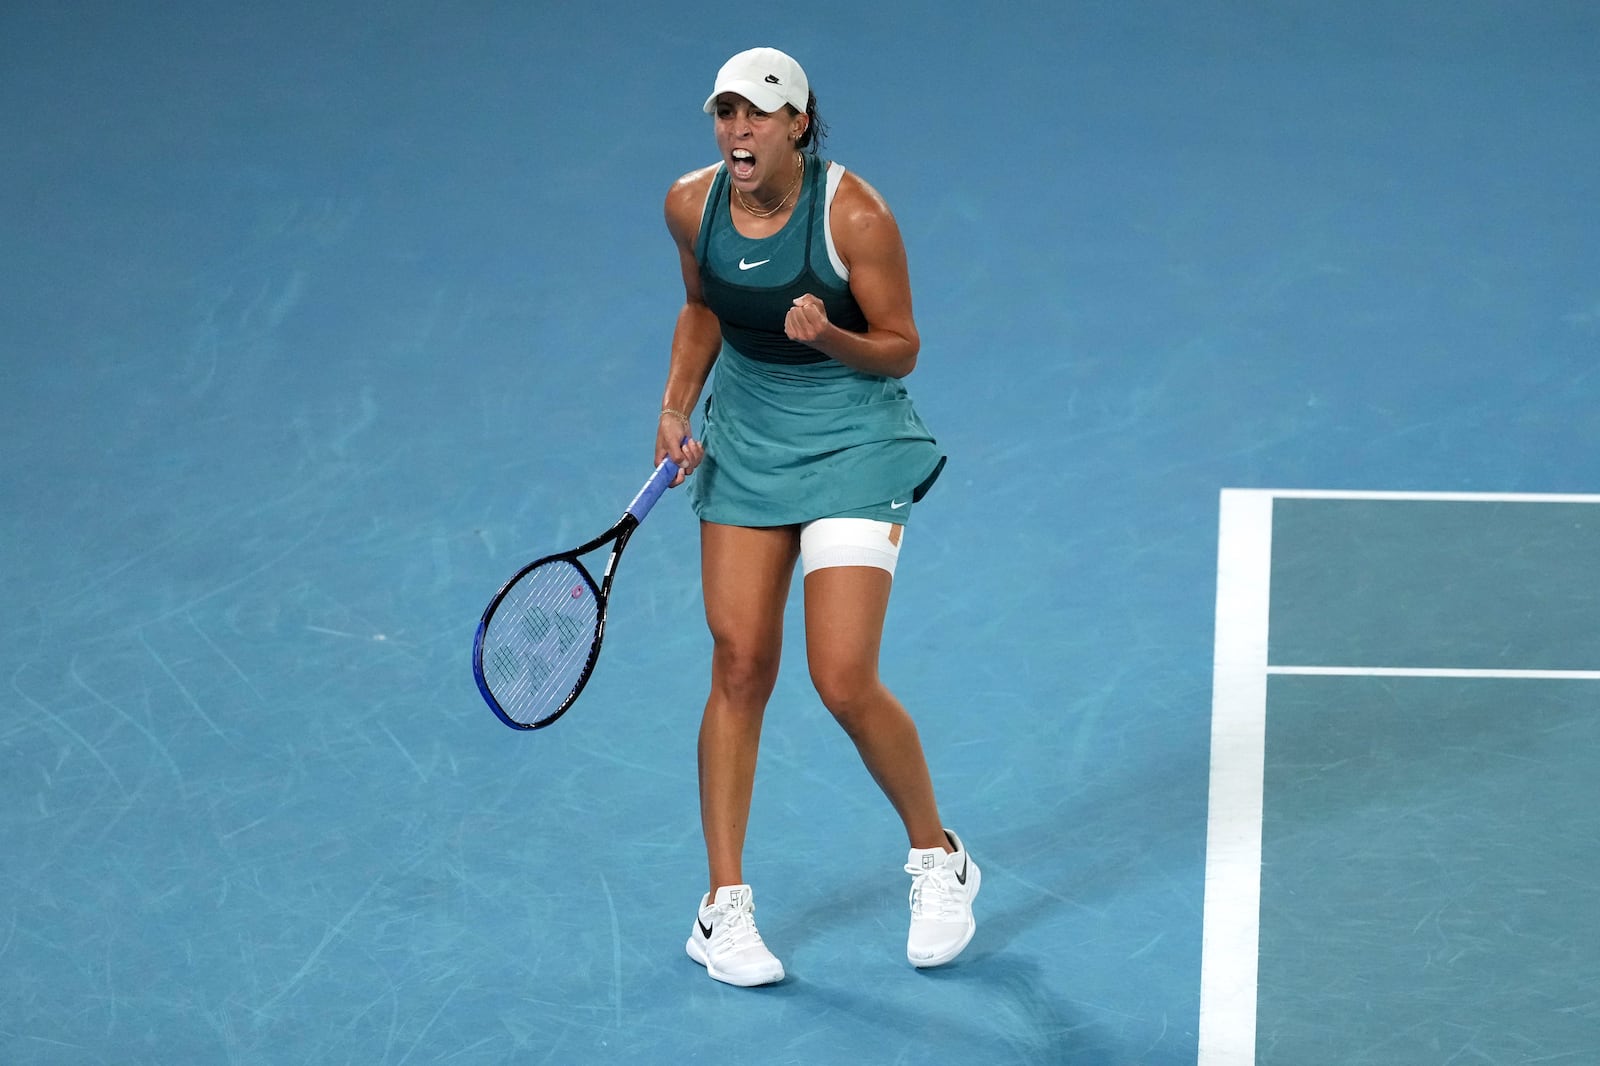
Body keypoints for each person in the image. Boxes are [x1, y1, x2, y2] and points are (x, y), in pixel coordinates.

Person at [655, 46, 978, 987]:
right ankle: (722, 910)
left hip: (852, 443)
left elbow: (902, 348)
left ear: (799, 122)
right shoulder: (690, 204)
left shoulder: (855, 216)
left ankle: (938, 857)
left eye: (757, 114)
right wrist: (677, 405)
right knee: (740, 664)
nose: (738, 131)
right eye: (725, 114)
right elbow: (701, 310)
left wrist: (828, 333)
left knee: (841, 677)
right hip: (749, 442)